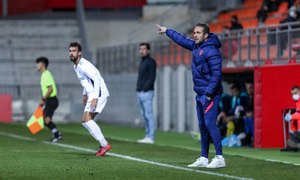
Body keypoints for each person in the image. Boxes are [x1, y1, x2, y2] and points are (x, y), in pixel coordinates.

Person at [156, 23, 226, 168]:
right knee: (202, 126)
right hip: (200, 93)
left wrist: (209, 93)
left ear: (206, 36)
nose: (195, 35)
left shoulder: (212, 51)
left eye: (198, 33)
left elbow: (217, 75)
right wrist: (167, 31)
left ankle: (220, 158)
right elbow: (181, 39)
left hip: (209, 95)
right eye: (194, 32)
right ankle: (204, 158)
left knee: (210, 124)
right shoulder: (196, 46)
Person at [69, 42, 111, 156]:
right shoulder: (76, 66)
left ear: (79, 53)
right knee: (86, 121)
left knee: (87, 120)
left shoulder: (83, 65)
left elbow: (96, 78)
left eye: (74, 51)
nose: (71, 53)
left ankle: (104, 145)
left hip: (99, 93)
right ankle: (103, 144)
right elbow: (85, 81)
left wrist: (95, 98)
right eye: (70, 51)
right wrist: (84, 94)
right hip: (92, 93)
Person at [35, 57, 62, 142]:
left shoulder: (46, 74)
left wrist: (43, 99)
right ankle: (57, 134)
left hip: (51, 100)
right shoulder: (45, 74)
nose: (36, 65)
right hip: (50, 100)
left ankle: (57, 135)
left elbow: (50, 89)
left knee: (46, 120)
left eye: (38, 63)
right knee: (44, 120)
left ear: (42, 64)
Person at [136, 43, 157, 144]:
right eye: (141, 49)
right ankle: (147, 135)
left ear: (148, 50)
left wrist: (144, 89)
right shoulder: (142, 62)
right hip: (140, 92)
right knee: (145, 115)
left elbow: (152, 78)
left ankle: (151, 137)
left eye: (144, 49)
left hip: (147, 92)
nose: (142, 51)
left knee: (149, 115)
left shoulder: (151, 61)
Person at [281, 85, 300, 152]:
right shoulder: (298, 102)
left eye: (295, 93)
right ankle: (294, 142)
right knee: (293, 121)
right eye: (292, 94)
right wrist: (292, 116)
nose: (294, 95)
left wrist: (291, 116)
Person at [244, 80, 254, 146]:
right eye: (248, 88)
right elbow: (246, 108)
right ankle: (248, 139)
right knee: (246, 119)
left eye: (251, 88)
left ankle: (254, 138)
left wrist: (254, 113)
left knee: (251, 120)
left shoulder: (256, 96)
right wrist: (246, 114)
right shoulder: (247, 97)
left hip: (254, 116)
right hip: (249, 116)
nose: (249, 90)